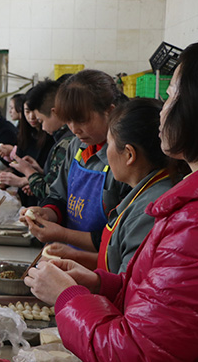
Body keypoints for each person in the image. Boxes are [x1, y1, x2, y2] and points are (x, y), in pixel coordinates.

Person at [24, 39, 198, 362]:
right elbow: (163, 305)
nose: (163, 111)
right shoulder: (191, 204)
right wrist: (102, 284)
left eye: (171, 95)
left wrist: (68, 297)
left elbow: (138, 357)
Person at [45, 99, 178, 273]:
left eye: (108, 143)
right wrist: (75, 256)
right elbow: (120, 262)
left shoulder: (149, 210)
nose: (104, 153)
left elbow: (128, 281)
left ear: (129, 154)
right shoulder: (142, 193)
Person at [20, 70, 131, 252]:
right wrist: (46, 213)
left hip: (100, 262)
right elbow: (59, 196)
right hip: (66, 255)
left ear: (110, 112)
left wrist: (63, 235)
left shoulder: (124, 158)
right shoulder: (76, 146)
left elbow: (119, 236)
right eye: (68, 121)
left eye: (82, 120)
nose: (74, 130)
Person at [9, 79, 74, 201]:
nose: (43, 127)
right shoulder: (63, 138)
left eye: (41, 120)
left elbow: (50, 191)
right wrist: (40, 171)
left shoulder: (66, 141)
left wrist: (27, 170)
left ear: (54, 112)